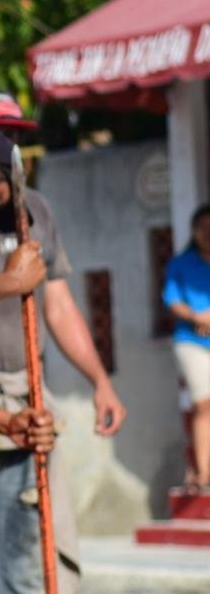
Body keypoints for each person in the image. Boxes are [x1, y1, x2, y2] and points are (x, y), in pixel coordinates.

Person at [0, 87, 126, 594]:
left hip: (30, 407)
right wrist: (9, 282)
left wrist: (100, 382)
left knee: (26, 561)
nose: (5, 150)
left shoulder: (33, 210)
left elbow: (58, 303)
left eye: (12, 138)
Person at [162, 203, 210, 490]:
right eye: (203, 228)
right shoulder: (180, 264)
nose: (208, 234)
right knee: (204, 403)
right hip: (191, 341)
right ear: (195, 232)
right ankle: (204, 473)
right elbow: (173, 301)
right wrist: (198, 317)